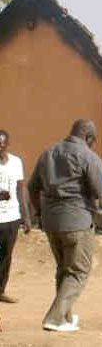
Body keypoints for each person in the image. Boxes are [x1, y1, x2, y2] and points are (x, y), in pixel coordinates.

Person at [28, 120, 102, 332]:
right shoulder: (88, 157)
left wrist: (39, 213)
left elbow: (32, 188)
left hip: (51, 222)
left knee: (64, 270)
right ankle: (55, 318)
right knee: (78, 272)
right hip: (77, 221)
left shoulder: (48, 153)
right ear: (89, 137)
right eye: (93, 140)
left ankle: (65, 316)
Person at [0, 130, 31, 303]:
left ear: (7, 145)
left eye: (3, 145)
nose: (1, 148)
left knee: (6, 256)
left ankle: (1, 290)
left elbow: (20, 189)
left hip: (11, 218)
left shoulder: (15, 162)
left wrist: (26, 217)